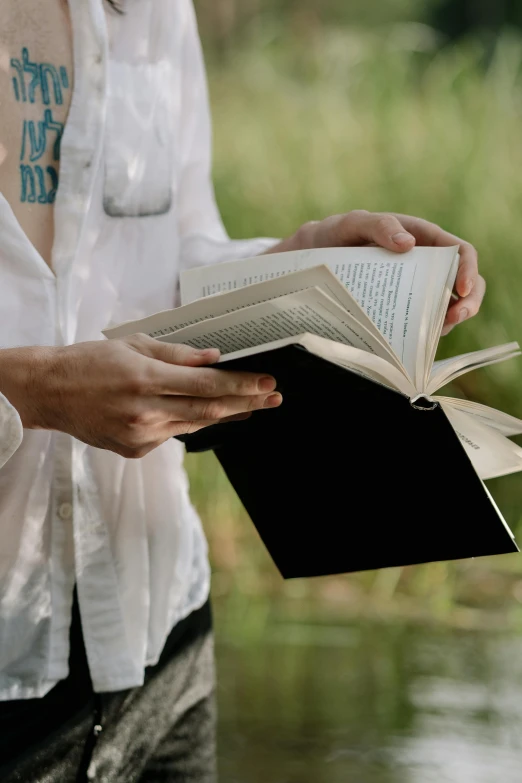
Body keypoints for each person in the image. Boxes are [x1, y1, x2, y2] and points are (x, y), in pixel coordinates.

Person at [0, 0, 486, 781]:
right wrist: (38, 391)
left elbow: (173, 246)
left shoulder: (157, 12)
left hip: (164, 641)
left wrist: (292, 264)